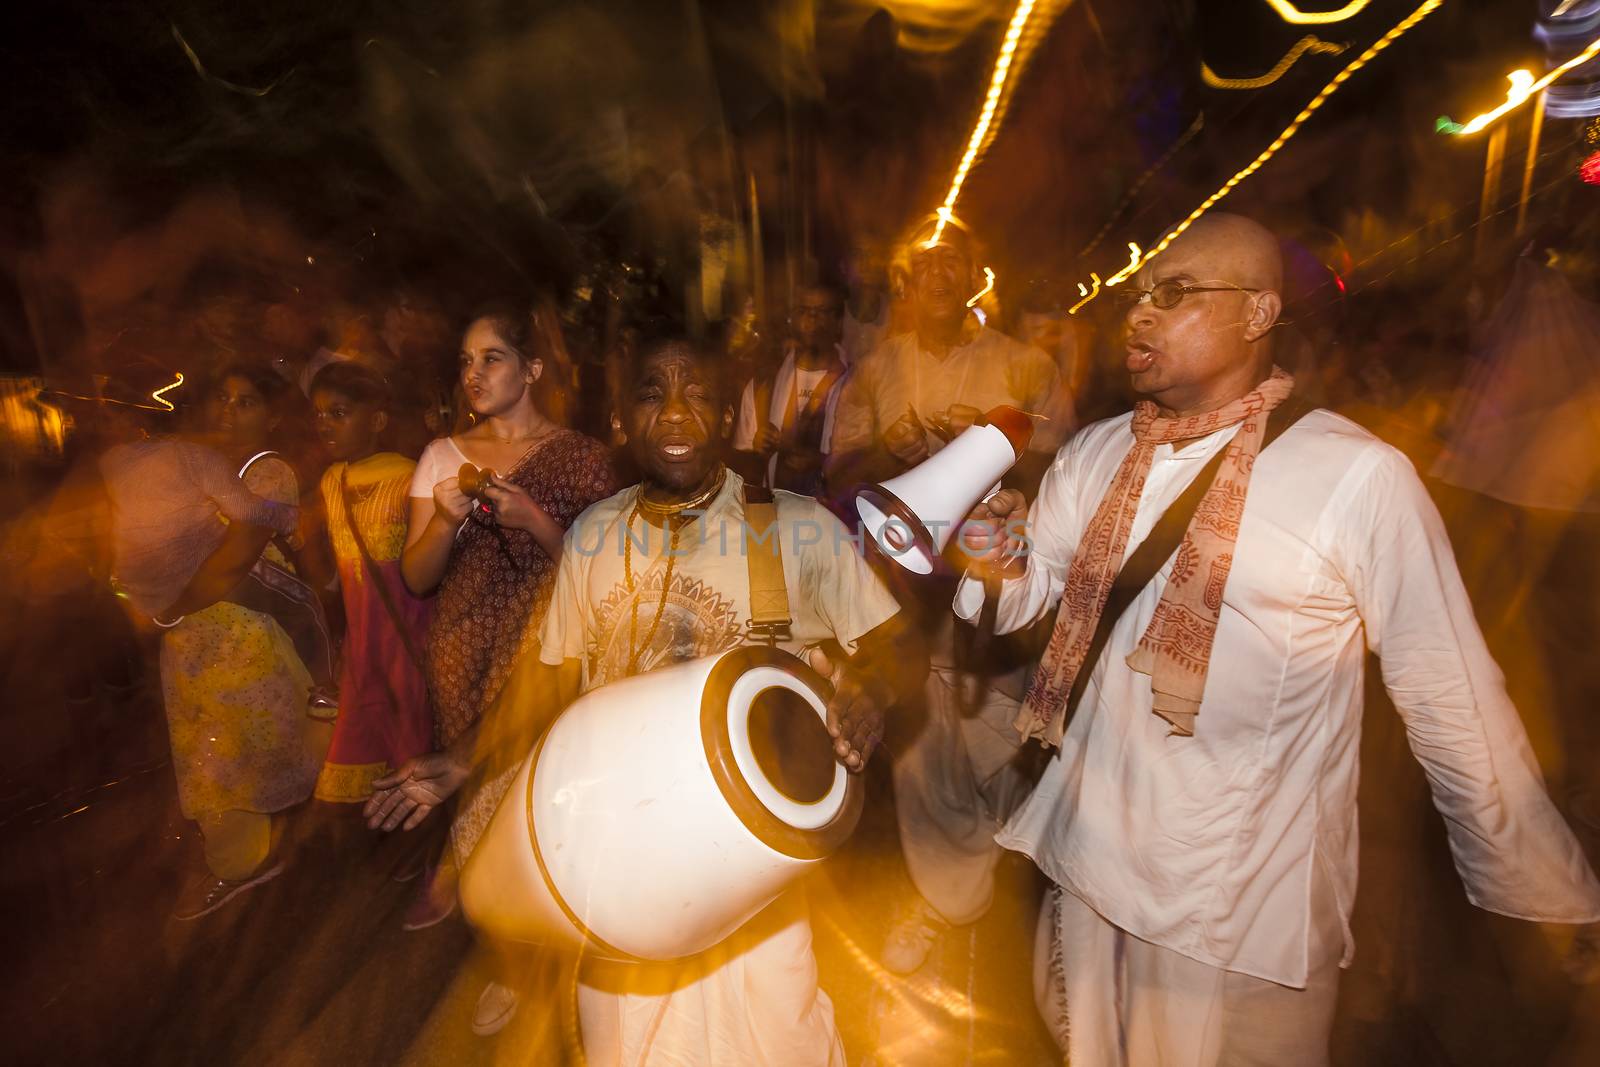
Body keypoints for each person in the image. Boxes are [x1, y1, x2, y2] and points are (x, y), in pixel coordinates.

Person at [956, 213, 1600, 1064]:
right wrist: (998, 562)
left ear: (1259, 316)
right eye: (1139, 293)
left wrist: (1546, 887)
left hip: (1236, 907)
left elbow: (1448, 693)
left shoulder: (1354, 475)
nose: (1138, 312)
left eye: (1173, 293)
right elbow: (1031, 594)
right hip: (1090, 860)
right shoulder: (1101, 450)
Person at [367, 328, 925, 1064]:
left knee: (783, 1043)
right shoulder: (595, 536)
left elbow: (900, 648)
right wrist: (461, 760)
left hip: (751, 878)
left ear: (728, 418)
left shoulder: (796, 528)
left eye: (697, 393)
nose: (674, 411)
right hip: (620, 854)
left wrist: (872, 693)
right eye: (652, 393)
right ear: (623, 422)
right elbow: (550, 674)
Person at [825, 214, 1067, 976]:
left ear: (973, 277)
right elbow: (836, 469)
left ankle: (1013, 863)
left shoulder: (1024, 365)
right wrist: (881, 448)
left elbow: (1074, 465)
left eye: (952, 263)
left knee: (1003, 726)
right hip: (908, 588)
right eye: (924, 265)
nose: (938, 276)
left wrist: (1000, 445)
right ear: (908, 279)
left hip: (999, 587)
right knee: (924, 746)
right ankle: (942, 899)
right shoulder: (878, 366)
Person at [397, 300, 615, 1028]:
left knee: (558, 815)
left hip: (552, 657)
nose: (473, 373)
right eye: (465, 360)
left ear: (533, 369)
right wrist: (445, 515)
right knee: (483, 825)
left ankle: (579, 957)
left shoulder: (584, 458)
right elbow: (420, 577)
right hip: (462, 658)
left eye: (491, 357)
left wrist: (538, 522)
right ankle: (515, 962)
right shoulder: (440, 456)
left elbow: (608, 577)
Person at [104, 362, 332, 920]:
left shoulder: (269, 472)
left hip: (242, 642)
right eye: (224, 400)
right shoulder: (190, 464)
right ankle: (262, 861)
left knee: (238, 763)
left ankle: (245, 869)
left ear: (273, 415)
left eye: (247, 401)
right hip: (195, 643)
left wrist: (168, 609)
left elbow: (231, 566)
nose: (230, 411)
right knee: (224, 760)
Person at [307, 362, 433, 806]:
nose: (324, 424)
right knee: (354, 780)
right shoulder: (331, 481)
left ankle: (414, 864)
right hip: (362, 654)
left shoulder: (410, 478)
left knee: (413, 767)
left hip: (409, 648)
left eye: (338, 413)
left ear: (376, 421)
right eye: (319, 413)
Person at [732, 281, 850, 497]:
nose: (812, 318)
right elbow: (739, 469)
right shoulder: (763, 384)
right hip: (775, 520)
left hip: (835, 518)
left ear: (838, 322)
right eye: (803, 310)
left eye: (822, 311)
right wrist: (757, 449)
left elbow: (864, 462)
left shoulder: (857, 383)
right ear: (792, 320)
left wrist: (821, 462)